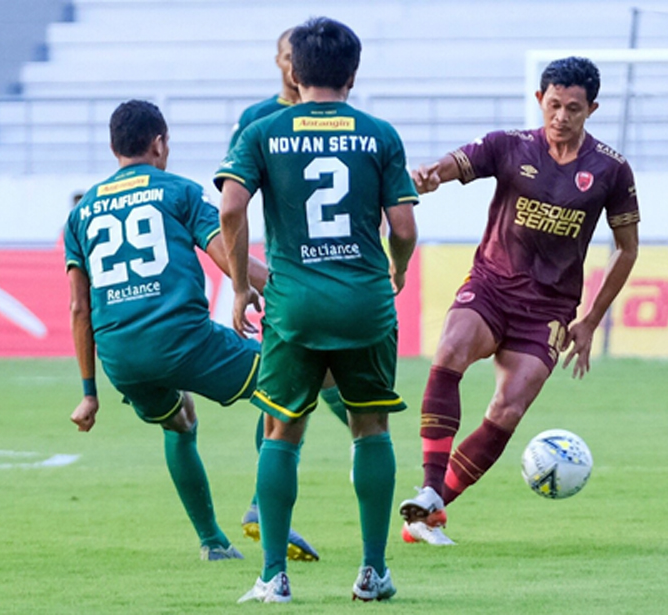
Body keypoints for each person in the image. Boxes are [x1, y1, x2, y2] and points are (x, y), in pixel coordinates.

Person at [398, 56, 640, 545]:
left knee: (507, 409)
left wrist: (591, 319)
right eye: (553, 105)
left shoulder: (610, 170)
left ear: (592, 108)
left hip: (549, 309)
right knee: (448, 353)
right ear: (539, 100)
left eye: (574, 108)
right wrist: (430, 176)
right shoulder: (509, 146)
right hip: (491, 285)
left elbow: (627, 248)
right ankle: (428, 490)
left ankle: (430, 514)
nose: (561, 116)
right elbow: (458, 162)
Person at [216, 17, 418, 604]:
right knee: (371, 427)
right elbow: (403, 225)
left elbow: (230, 210)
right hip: (364, 299)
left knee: (281, 429)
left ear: (294, 72)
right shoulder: (378, 134)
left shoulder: (262, 130)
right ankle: (373, 572)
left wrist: (237, 284)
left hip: (293, 302)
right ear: (353, 75)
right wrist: (396, 268)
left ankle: (273, 577)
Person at [64, 99, 316, 563]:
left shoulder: (80, 214)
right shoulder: (177, 191)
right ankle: (263, 506)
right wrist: (277, 287)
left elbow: (80, 308)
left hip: (121, 356)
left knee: (179, 422)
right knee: (290, 385)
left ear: (113, 146)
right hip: (184, 341)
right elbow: (225, 250)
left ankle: (212, 542)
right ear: (159, 143)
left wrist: (89, 393)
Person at [227, 26, 349, 549]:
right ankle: (265, 504)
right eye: (281, 52)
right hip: (297, 277)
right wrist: (247, 276)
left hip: (308, 282)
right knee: (308, 392)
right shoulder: (258, 120)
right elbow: (236, 206)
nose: (286, 63)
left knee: (300, 389)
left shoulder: (337, 120)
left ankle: (263, 508)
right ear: (283, 62)